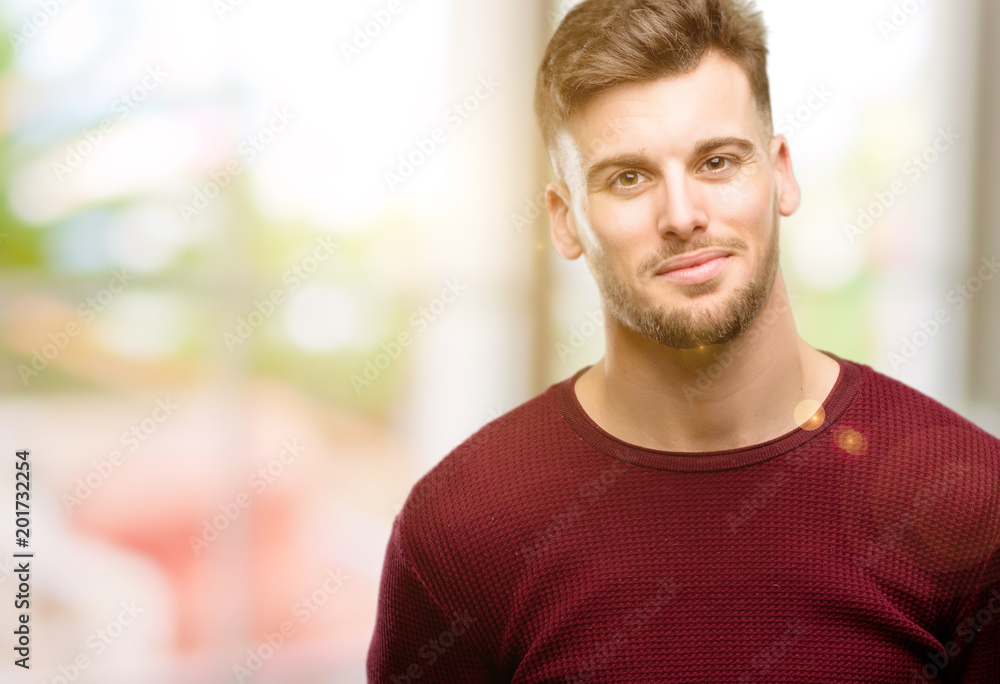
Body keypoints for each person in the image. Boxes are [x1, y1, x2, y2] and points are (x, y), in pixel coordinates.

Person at [367, 0, 1000, 681]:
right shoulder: (462, 531)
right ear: (565, 220)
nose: (682, 216)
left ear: (781, 172)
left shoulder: (972, 501)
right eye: (628, 177)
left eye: (718, 162)